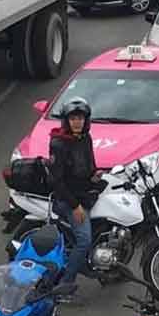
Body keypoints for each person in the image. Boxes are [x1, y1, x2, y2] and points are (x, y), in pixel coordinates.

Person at [48, 98, 101, 295]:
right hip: (68, 200)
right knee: (84, 240)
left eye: (80, 118)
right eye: (72, 118)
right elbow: (57, 181)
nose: (76, 122)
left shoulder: (85, 138)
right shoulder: (59, 144)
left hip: (84, 192)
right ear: (66, 121)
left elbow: (90, 166)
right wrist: (75, 206)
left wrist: (95, 176)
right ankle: (65, 284)